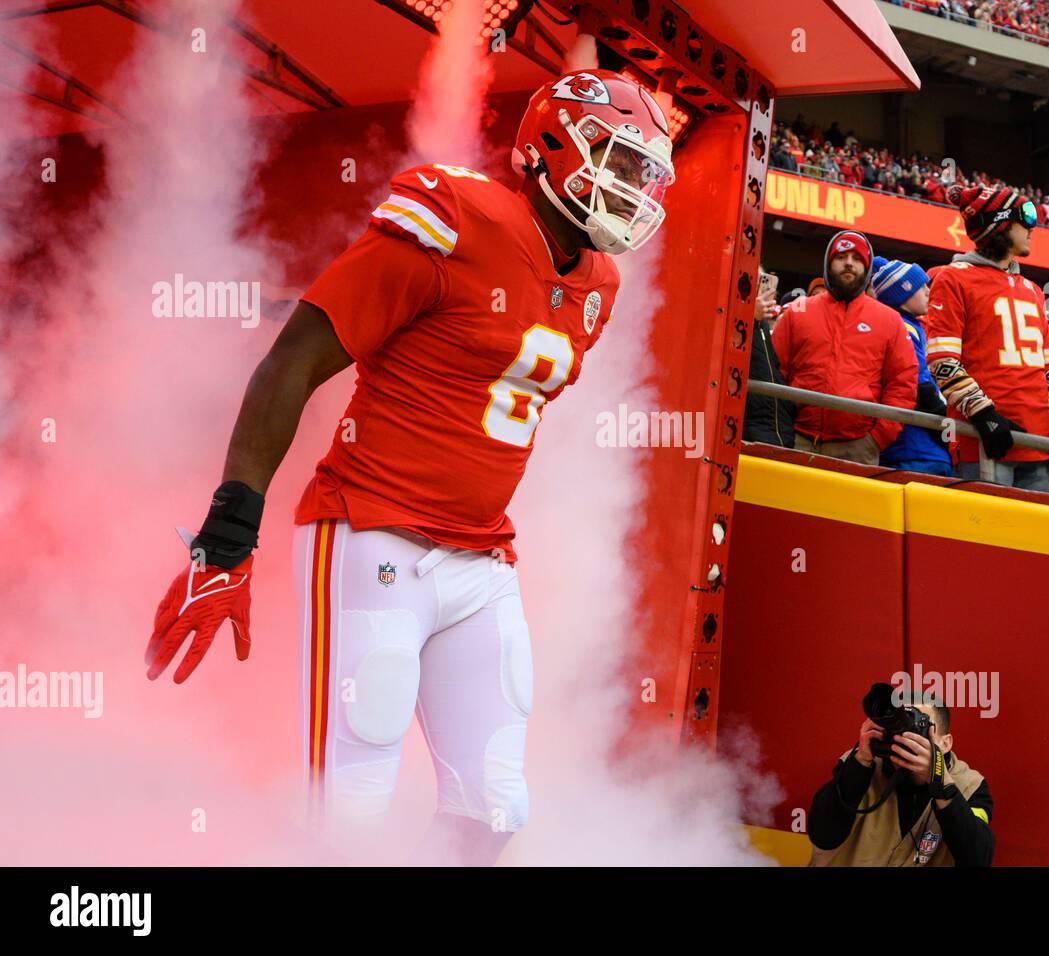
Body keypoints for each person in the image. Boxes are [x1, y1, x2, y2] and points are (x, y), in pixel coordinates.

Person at [143, 69, 676, 865]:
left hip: (482, 556)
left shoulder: (599, 283)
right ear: (552, 147)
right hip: (373, 534)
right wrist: (230, 531)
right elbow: (292, 363)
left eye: (644, 172)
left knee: (495, 808)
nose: (631, 188)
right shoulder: (456, 215)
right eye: (620, 162)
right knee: (349, 811)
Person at [926, 184, 1049, 489]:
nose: (1032, 228)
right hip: (986, 440)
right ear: (1001, 225)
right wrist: (983, 415)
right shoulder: (953, 278)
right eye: (1025, 219)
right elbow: (942, 359)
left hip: (1038, 442)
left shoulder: (1032, 289)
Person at [771, 231, 918, 465]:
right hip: (795, 440)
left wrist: (876, 439)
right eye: (841, 257)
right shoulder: (798, 312)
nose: (849, 263)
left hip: (858, 447)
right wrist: (782, 426)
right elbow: (775, 372)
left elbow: (902, 384)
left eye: (857, 258)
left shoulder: (890, 321)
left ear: (867, 268)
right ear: (828, 264)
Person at [808, 689, 993, 867]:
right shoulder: (859, 762)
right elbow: (823, 837)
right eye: (897, 727)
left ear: (945, 743)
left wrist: (940, 781)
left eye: (916, 724)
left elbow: (977, 859)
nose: (904, 736)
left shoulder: (969, 785)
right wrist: (859, 763)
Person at [870, 257, 952, 476]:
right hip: (915, 451)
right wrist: (947, 429)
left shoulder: (913, 325)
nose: (928, 291)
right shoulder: (903, 327)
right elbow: (920, 385)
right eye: (921, 286)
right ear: (903, 293)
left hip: (919, 449)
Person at [743, 280, 798, 447]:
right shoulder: (741, 320)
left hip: (776, 432)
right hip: (752, 434)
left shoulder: (762, 326)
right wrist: (747, 315)